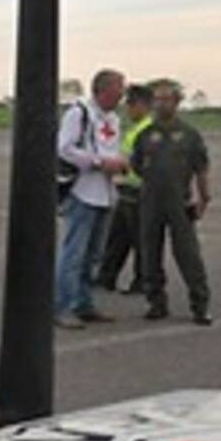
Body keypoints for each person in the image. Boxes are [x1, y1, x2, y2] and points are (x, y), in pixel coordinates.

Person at [131, 80, 213, 325]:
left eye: (166, 99)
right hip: (150, 202)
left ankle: (200, 305)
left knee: (188, 255)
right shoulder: (145, 135)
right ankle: (156, 302)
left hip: (180, 202)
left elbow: (202, 168)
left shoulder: (189, 135)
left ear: (176, 102)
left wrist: (204, 198)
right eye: (156, 99)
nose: (160, 104)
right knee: (149, 253)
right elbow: (137, 166)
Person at [53, 69, 129, 330]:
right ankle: (61, 307)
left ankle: (83, 304)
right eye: (119, 87)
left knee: (93, 255)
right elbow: (63, 148)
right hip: (82, 192)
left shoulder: (113, 119)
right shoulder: (78, 113)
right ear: (104, 89)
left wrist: (120, 163)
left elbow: (111, 148)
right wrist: (98, 162)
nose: (122, 93)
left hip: (105, 194)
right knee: (73, 254)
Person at [95, 83, 153, 293]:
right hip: (126, 189)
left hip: (139, 190)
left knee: (140, 239)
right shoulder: (136, 129)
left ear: (143, 105)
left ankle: (143, 281)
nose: (127, 109)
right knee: (118, 237)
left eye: (130, 104)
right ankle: (106, 276)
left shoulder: (147, 131)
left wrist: (122, 168)